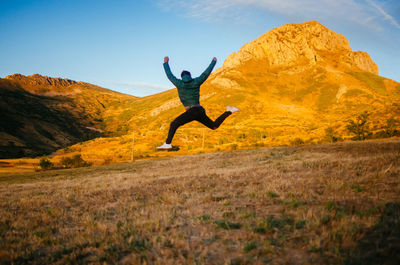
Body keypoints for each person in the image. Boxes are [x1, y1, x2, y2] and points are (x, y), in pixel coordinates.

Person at [157, 56, 240, 150]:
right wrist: (213, 62)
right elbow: (206, 74)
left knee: (174, 124)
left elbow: (169, 75)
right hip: (199, 110)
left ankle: (168, 143)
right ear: (190, 75)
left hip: (192, 111)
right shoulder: (196, 81)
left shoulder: (179, 83)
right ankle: (229, 111)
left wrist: (166, 63)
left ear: (181, 76)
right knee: (214, 126)